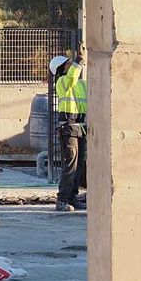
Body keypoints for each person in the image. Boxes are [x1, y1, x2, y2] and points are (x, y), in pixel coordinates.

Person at [50, 47, 87, 211]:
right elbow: (72, 75)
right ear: (61, 69)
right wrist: (80, 60)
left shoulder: (80, 84)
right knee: (70, 165)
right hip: (69, 128)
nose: (70, 63)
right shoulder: (63, 82)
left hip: (81, 127)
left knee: (79, 166)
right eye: (67, 63)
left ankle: (73, 197)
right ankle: (62, 200)